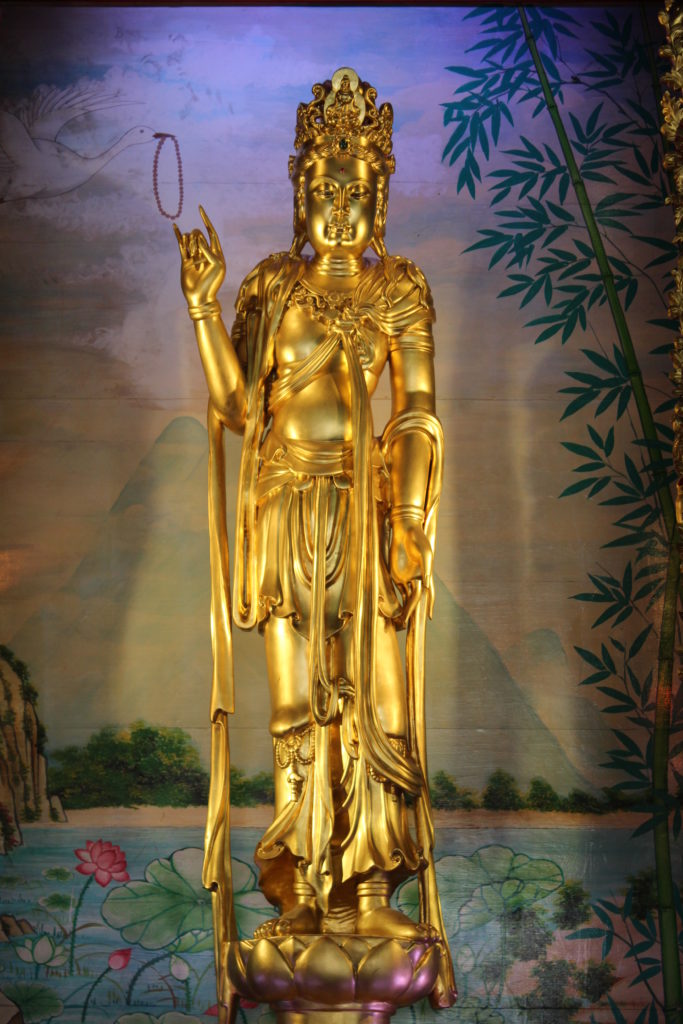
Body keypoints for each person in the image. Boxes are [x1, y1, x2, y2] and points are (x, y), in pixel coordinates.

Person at [174, 67, 454, 1002]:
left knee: (372, 702)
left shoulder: (399, 288)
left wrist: (407, 522)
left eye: (356, 192)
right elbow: (233, 408)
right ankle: (301, 896)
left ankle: (368, 889)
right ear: (301, 191)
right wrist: (204, 305)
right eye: (324, 190)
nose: (339, 208)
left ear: (379, 198)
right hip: (283, 504)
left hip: (363, 513)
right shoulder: (269, 283)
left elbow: (415, 410)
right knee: (295, 708)